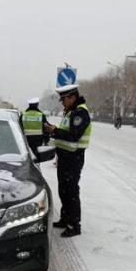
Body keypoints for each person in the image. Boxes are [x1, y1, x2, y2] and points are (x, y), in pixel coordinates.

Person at [44, 84, 92, 237]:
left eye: (64, 99)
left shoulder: (80, 113)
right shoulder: (71, 112)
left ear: (73, 97)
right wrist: (54, 132)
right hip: (65, 157)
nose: (62, 102)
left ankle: (74, 225)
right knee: (63, 190)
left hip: (74, 158)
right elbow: (66, 133)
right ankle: (65, 219)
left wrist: (55, 131)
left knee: (71, 191)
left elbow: (73, 136)